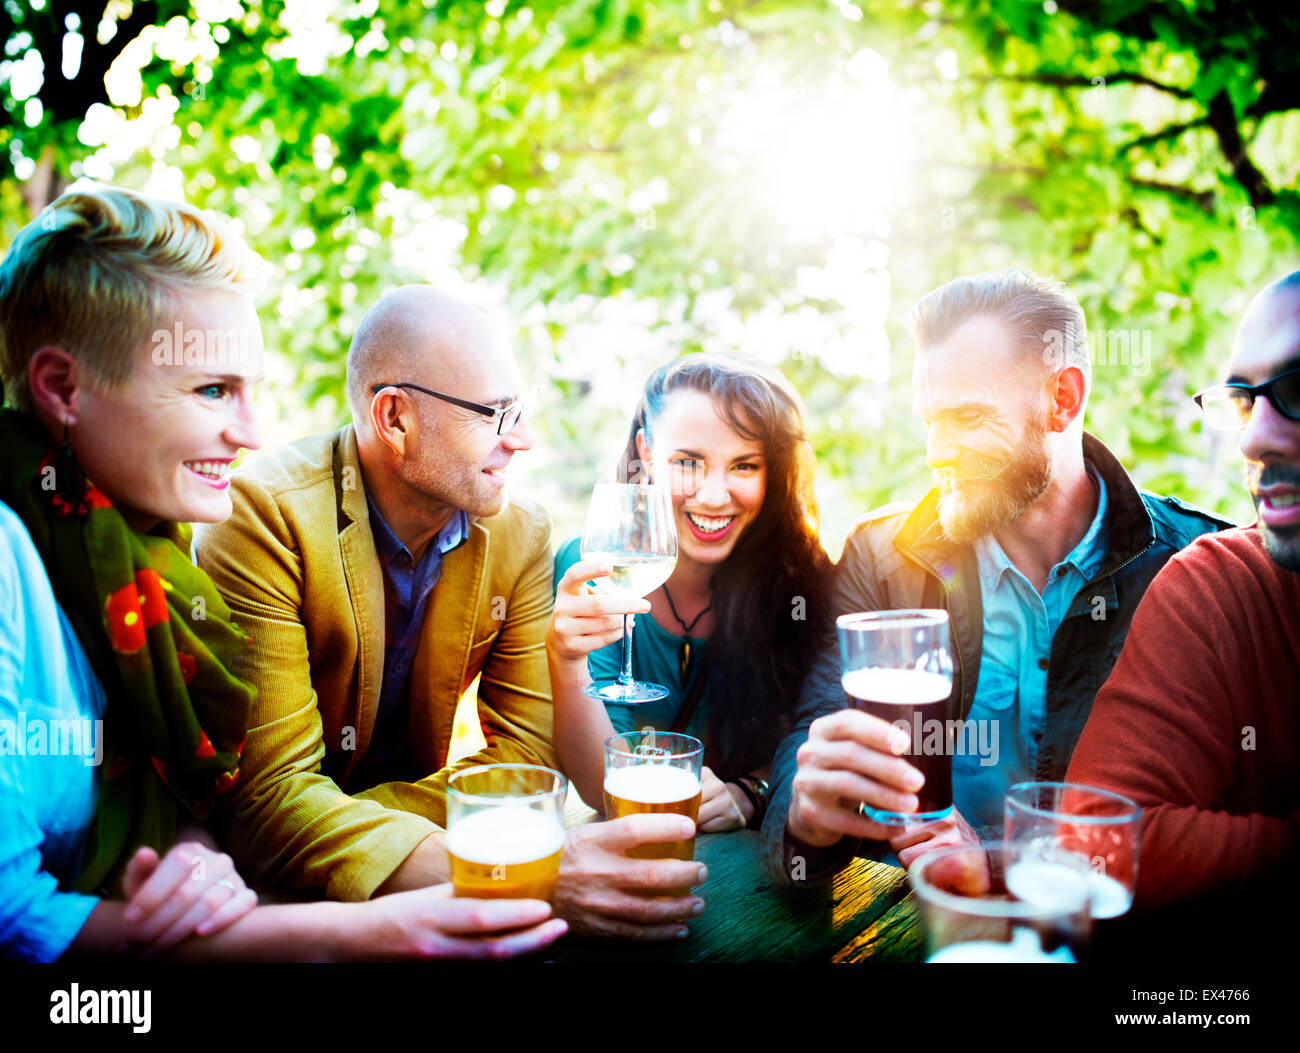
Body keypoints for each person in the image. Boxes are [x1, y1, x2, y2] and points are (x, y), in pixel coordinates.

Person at [0, 186, 565, 961]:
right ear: (63, 389)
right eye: (211, 390)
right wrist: (403, 911)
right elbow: (14, 917)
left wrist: (190, 856)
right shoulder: (12, 563)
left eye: (250, 391)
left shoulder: (141, 563)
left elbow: (179, 789)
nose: (252, 432)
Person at [194, 286, 708, 940]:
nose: (522, 439)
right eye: (496, 413)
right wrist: (516, 863)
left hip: (385, 876)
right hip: (266, 912)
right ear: (395, 418)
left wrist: (345, 823)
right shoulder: (260, 516)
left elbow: (528, 757)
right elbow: (267, 806)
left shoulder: (520, 532)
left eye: (522, 409)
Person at [762, 269, 1230, 882]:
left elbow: (1218, 816)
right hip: (915, 926)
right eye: (930, 421)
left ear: (1061, 399)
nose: (936, 452)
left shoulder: (1199, 565)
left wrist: (993, 867)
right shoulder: (881, 558)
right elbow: (810, 741)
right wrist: (804, 819)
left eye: (967, 417)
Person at [1066, 269, 1300, 930]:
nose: (1253, 440)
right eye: (1243, 402)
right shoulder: (1221, 586)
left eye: (1298, 389)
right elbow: (1097, 842)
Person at [549, 354, 833, 831]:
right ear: (645, 452)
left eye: (744, 465)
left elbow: (812, 734)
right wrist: (566, 660)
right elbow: (603, 788)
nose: (714, 495)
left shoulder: (801, 579)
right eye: (688, 462)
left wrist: (752, 791)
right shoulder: (591, 569)